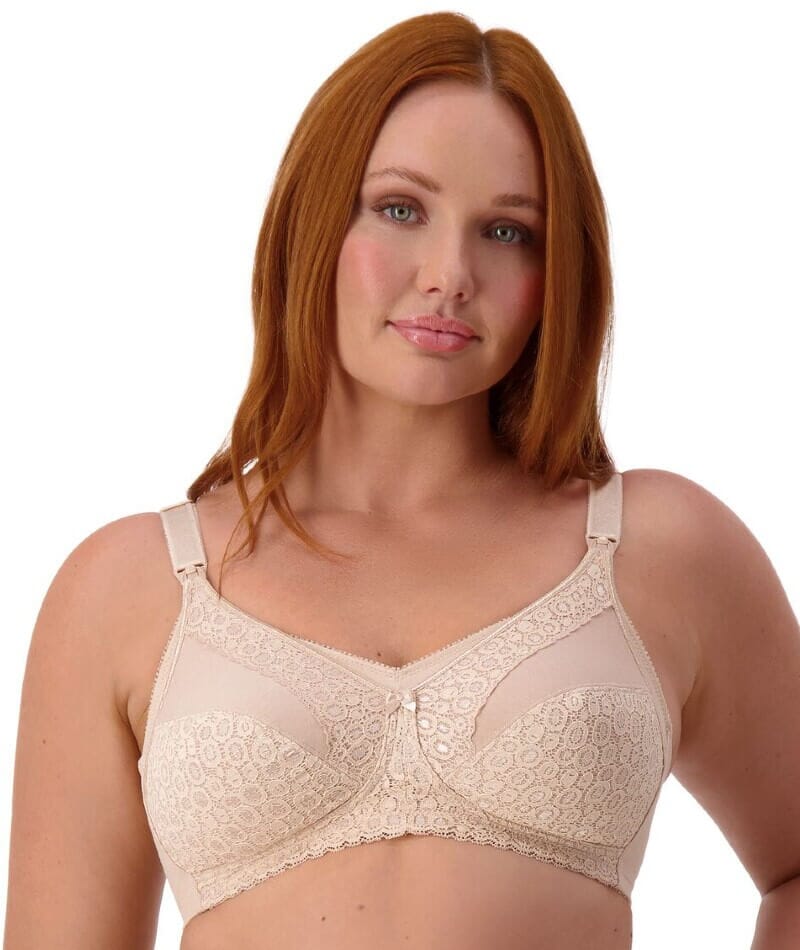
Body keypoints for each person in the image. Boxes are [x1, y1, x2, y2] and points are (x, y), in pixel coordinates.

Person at [5, 11, 799, 950]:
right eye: (400, 209)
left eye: (507, 230)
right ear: (312, 220)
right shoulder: (127, 588)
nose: (450, 274)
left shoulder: (659, 552)